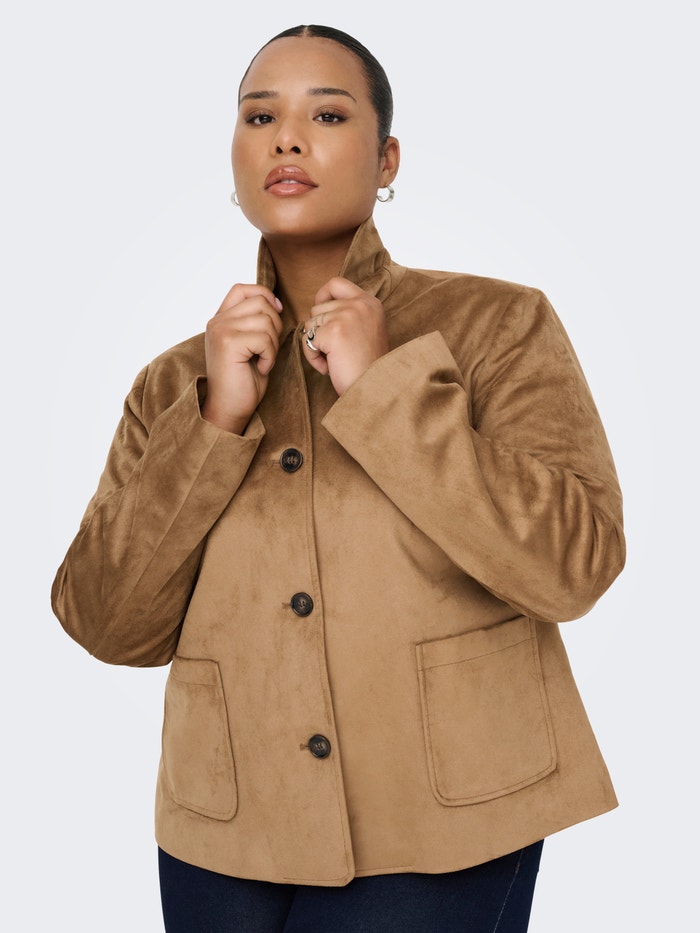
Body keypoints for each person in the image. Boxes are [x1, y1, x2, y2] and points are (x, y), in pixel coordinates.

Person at [51, 24, 625, 933]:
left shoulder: (498, 326)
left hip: (445, 819)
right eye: (259, 117)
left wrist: (388, 391)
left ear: (386, 156)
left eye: (326, 114)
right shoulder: (176, 383)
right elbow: (106, 621)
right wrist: (214, 422)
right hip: (221, 827)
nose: (287, 138)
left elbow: (574, 565)